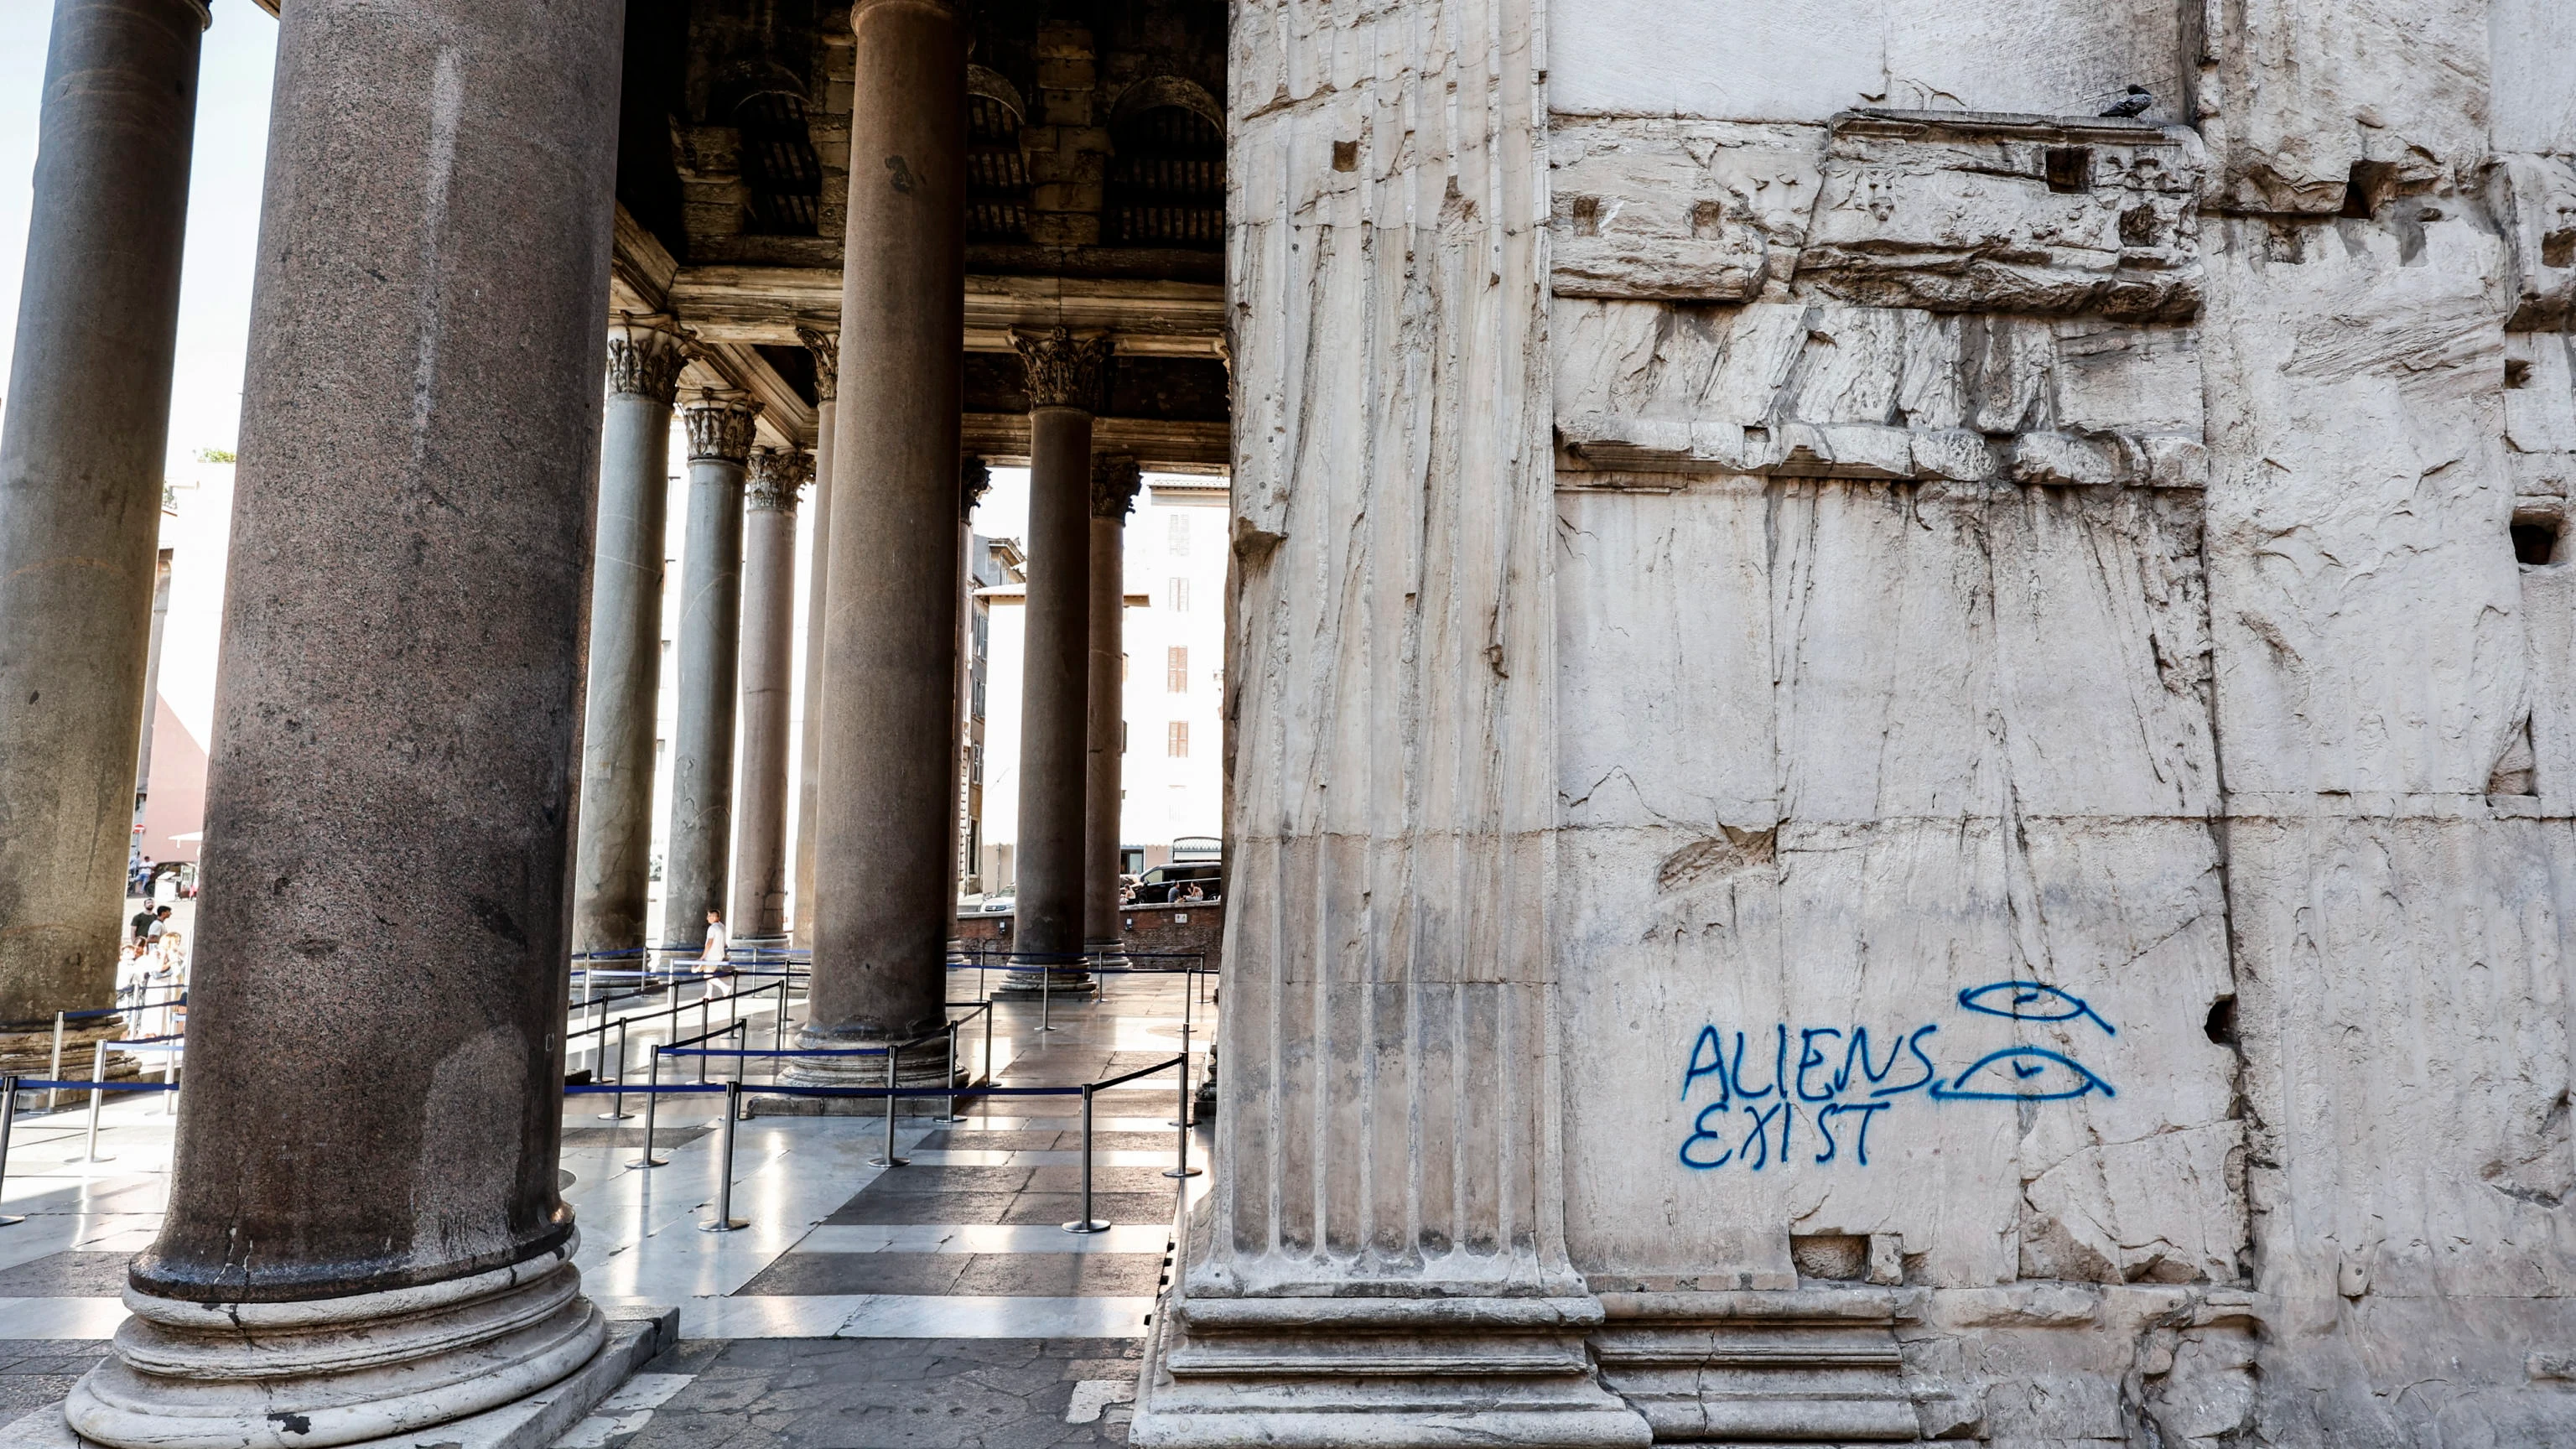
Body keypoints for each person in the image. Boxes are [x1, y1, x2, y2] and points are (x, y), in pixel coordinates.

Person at [699, 909, 731, 1000]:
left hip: (712, 955)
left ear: (713, 917)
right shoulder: (722, 926)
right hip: (719, 954)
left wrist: (703, 956)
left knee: (707, 976)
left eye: (709, 916)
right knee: (710, 973)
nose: (707, 918)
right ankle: (708, 994)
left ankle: (725, 987)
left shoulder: (712, 928)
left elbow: (709, 943)